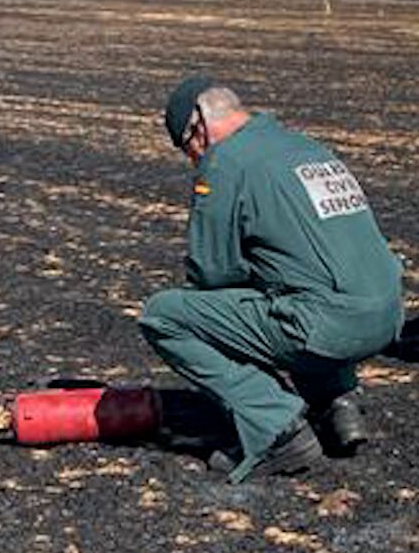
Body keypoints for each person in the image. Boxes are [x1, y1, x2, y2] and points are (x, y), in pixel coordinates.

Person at [139, 77, 405, 482]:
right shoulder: (305, 148)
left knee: (165, 315)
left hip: (327, 327)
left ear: (199, 128)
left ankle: (278, 430)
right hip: (386, 315)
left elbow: (210, 273)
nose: (193, 159)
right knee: (294, 279)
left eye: (186, 148)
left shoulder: (226, 161)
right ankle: (338, 406)